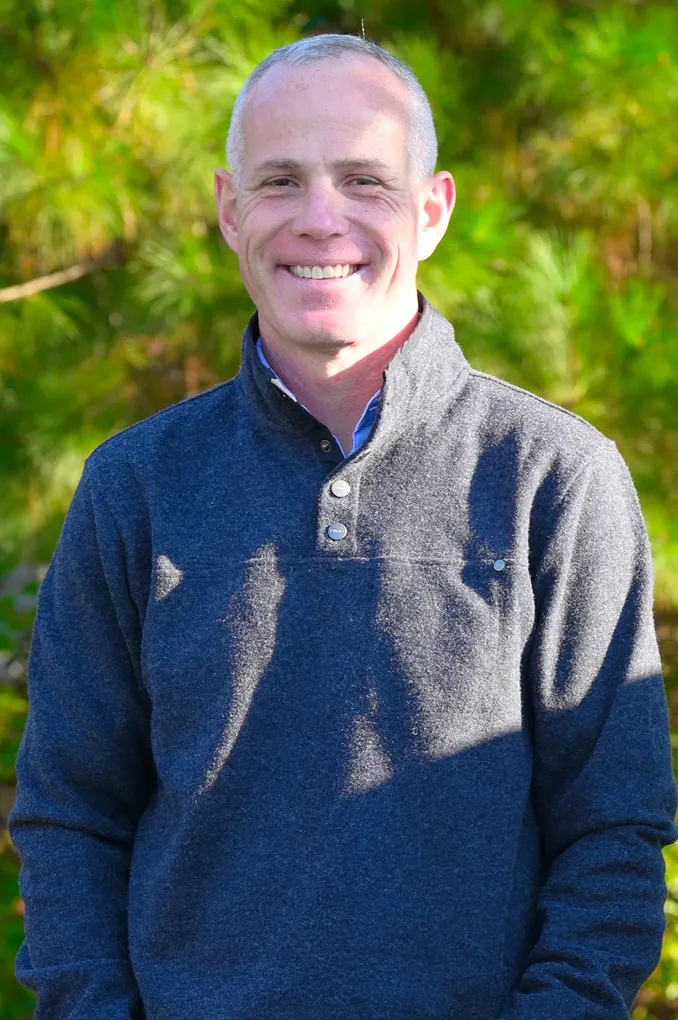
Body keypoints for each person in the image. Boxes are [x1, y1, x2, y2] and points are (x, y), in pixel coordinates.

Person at [9, 32, 677, 1020]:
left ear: (433, 210)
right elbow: (70, 814)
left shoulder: (555, 478)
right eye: (280, 181)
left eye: (364, 180)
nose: (320, 220)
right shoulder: (137, 485)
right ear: (230, 212)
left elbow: (612, 833)